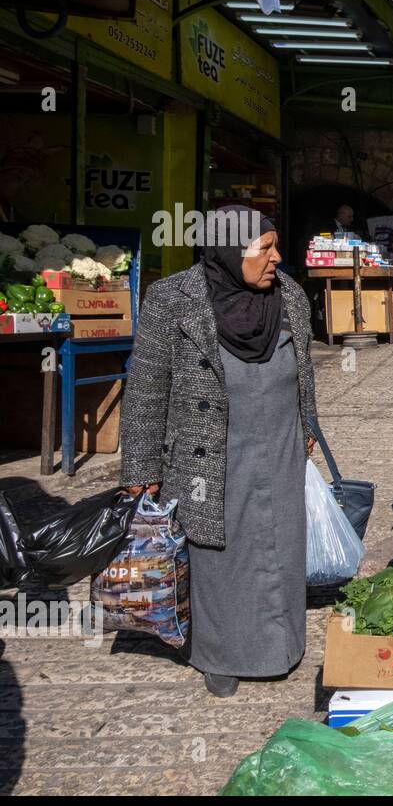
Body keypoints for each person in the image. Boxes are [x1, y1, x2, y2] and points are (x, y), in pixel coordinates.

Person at [119, 206, 318, 698]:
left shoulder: (288, 295)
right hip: (210, 454)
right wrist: (140, 468)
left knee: (280, 548)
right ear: (229, 251)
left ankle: (282, 645)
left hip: (281, 446)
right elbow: (146, 389)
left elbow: (304, 368)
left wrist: (309, 422)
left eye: (276, 246)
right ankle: (222, 655)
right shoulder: (173, 300)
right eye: (263, 248)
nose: (276, 258)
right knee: (221, 554)